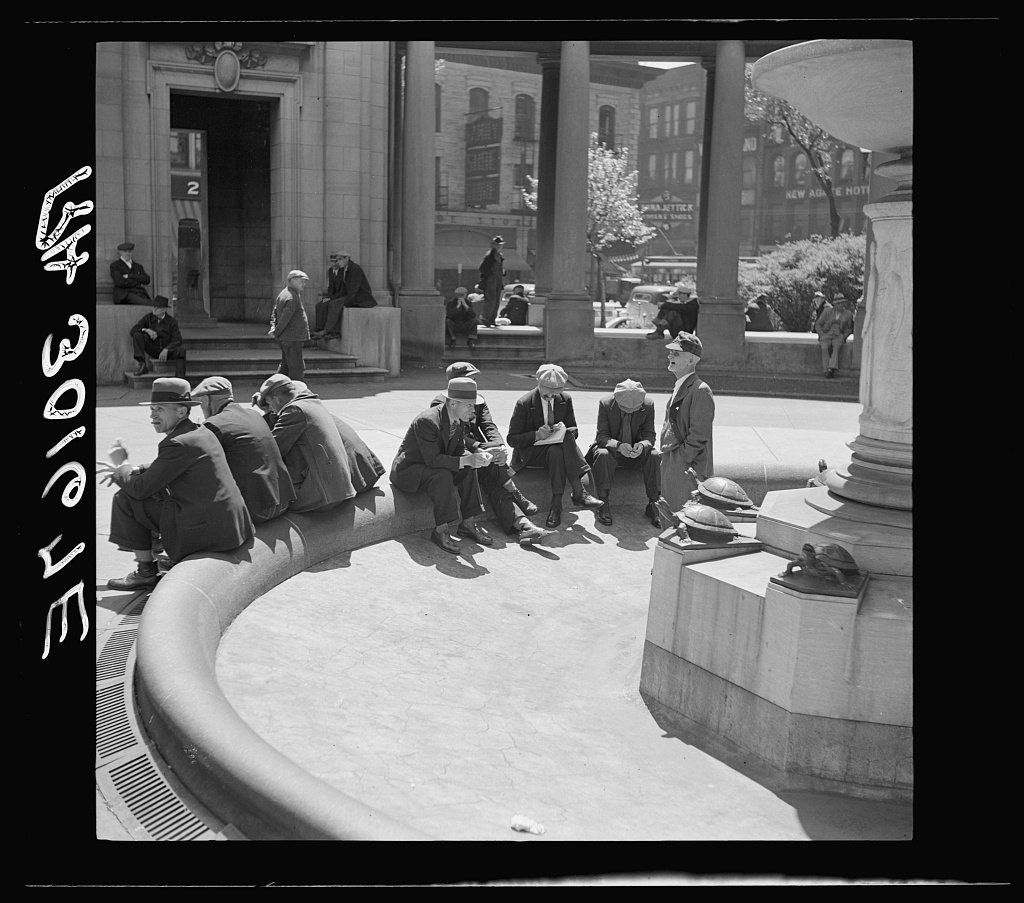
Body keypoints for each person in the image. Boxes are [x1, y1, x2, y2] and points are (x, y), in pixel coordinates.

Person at [97, 378, 253, 589]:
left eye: (160, 409)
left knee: (126, 498)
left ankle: (146, 573)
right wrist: (136, 469)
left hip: (207, 531)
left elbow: (141, 489)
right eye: (152, 409)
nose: (153, 415)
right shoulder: (199, 432)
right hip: (228, 525)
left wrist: (122, 465)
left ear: (181, 412)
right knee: (143, 494)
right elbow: (168, 465)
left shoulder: (177, 443)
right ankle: (154, 556)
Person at [431, 363, 551, 545]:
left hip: (480, 451)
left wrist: (499, 447)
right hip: (461, 451)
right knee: (494, 475)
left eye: (475, 379)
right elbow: (455, 437)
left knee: (494, 483)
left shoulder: (479, 399)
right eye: (470, 379)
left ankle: (525, 527)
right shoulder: (441, 403)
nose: (474, 383)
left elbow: (488, 425)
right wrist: (480, 447)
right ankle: (517, 499)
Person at [391, 376, 495, 554]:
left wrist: (476, 456)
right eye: (469, 405)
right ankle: (441, 530)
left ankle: (468, 523)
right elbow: (432, 460)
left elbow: (459, 449)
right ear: (453, 403)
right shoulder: (427, 421)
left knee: (468, 467)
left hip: (433, 465)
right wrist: (465, 460)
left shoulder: (459, 418)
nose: (473, 410)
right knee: (443, 475)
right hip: (410, 470)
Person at [255, 374, 384, 513]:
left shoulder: (295, 411)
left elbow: (272, 449)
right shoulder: (313, 403)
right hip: (338, 490)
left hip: (323, 497)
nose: (270, 408)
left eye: (269, 404)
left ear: (277, 399)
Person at [507, 363, 604, 529]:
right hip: (531, 453)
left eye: (556, 392)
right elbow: (512, 440)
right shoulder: (524, 403)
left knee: (557, 449)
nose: (551, 396)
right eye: (548, 391)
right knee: (562, 444)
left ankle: (556, 504)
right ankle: (579, 491)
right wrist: (537, 435)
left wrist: (560, 431)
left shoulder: (564, 400)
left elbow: (573, 430)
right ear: (538, 383)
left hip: (555, 450)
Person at [192, 376, 296, 523]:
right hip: (282, 501)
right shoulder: (253, 414)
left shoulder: (213, 425)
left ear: (207, 400)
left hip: (255, 509)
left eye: (201, 403)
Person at [585, 379, 662, 528]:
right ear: (616, 401)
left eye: (635, 408)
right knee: (602, 454)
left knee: (654, 455)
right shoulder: (605, 404)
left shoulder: (648, 405)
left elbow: (650, 436)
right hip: (612, 451)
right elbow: (602, 437)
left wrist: (642, 445)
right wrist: (618, 446)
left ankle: (653, 504)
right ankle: (603, 502)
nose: (630, 411)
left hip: (635, 452)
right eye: (625, 408)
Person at [660, 332, 715, 512]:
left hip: (687, 468)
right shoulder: (681, 385)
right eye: (670, 352)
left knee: (682, 522)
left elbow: (699, 434)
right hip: (673, 462)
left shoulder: (700, 390)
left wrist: (681, 460)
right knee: (670, 518)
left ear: (691, 360)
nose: (669, 356)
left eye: (676, 353)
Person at [318, 251, 378, 338]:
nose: (338, 262)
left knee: (335, 304)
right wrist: (333, 298)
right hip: (351, 296)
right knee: (331, 303)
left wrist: (346, 302)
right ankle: (327, 330)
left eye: (340, 259)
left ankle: (330, 331)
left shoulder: (355, 269)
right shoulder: (345, 269)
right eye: (337, 260)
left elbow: (354, 289)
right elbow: (343, 289)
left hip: (361, 298)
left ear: (347, 259)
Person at [129, 295, 187, 378]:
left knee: (181, 351)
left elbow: (177, 339)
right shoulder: (148, 318)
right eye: (154, 306)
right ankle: (142, 365)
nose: (154, 309)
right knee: (137, 335)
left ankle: (180, 378)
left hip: (166, 351)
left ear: (164, 309)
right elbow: (133, 330)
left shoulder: (172, 321)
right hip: (153, 348)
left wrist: (167, 349)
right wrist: (147, 330)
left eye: (157, 307)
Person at [271, 269, 311, 382]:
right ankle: (298, 392)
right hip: (292, 338)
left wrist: (274, 328)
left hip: (288, 337)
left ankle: (273, 387)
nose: (304, 284)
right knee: (296, 367)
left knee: (286, 366)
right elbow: (284, 318)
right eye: (302, 281)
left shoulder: (284, 294)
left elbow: (275, 312)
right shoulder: (292, 296)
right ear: (292, 281)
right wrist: (277, 331)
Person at [814, 295, 855, 378]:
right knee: (824, 347)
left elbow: (849, 328)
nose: (840, 305)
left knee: (836, 347)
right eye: (838, 303)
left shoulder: (848, 314)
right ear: (835, 304)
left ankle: (830, 369)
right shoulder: (827, 311)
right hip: (826, 334)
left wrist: (844, 336)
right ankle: (827, 369)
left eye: (842, 303)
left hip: (838, 335)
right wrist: (821, 334)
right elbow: (818, 324)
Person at [312, 252, 347, 336]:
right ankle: (319, 327)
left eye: (336, 261)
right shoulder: (331, 271)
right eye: (332, 261)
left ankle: (326, 330)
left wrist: (331, 298)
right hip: (334, 295)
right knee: (319, 305)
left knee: (327, 305)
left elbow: (343, 289)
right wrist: (329, 297)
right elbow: (331, 287)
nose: (334, 264)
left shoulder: (343, 271)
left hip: (340, 296)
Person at [110, 241, 153, 306]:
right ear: (120, 253)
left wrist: (129, 276)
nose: (128, 254)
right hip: (124, 294)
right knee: (150, 304)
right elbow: (119, 282)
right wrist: (138, 281)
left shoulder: (138, 266)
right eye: (125, 252)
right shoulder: (115, 265)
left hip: (140, 293)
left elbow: (147, 279)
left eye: (129, 251)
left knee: (153, 304)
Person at [477, 235, 506, 327]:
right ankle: (485, 319)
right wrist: (486, 278)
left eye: (500, 245)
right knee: (491, 300)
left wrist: (503, 272)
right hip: (491, 280)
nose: (499, 246)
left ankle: (492, 320)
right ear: (493, 245)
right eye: (497, 245)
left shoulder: (499, 256)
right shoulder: (489, 255)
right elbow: (482, 268)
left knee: (496, 301)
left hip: (497, 280)